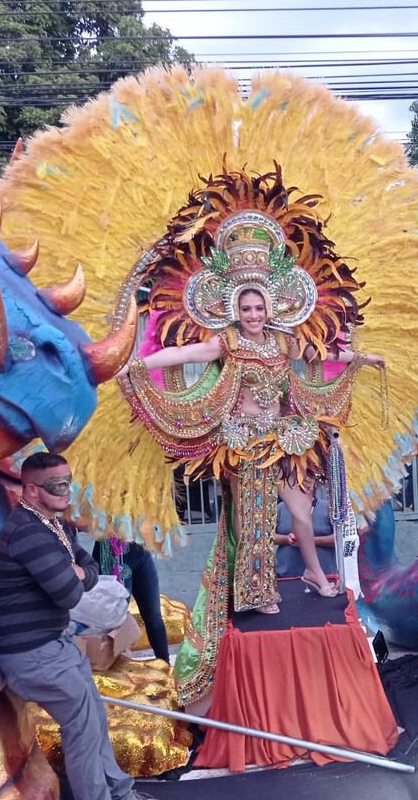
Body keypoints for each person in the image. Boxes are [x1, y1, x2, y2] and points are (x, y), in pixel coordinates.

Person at [127, 208, 384, 704]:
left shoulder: (283, 342)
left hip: (284, 438)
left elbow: (322, 357)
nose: (253, 316)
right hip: (244, 442)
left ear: (270, 310)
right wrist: (138, 361)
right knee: (255, 522)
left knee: (303, 515)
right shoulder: (224, 343)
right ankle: (254, 594)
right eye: (246, 310)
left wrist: (363, 359)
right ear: (235, 312)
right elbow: (182, 356)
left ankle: (312, 570)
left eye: (259, 309)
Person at [0, 452, 165, 800]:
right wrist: (78, 575)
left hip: (54, 645)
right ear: (32, 490)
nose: (67, 491)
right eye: (57, 486)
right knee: (82, 730)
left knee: (94, 718)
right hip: (32, 653)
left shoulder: (52, 525)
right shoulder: (29, 533)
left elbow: (87, 566)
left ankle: (118, 797)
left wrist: (78, 572)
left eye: (69, 482)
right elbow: (69, 591)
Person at [93, 536, 170, 662]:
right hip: (112, 551)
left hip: (140, 549)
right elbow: (94, 523)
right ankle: (103, 667)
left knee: (154, 615)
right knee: (112, 617)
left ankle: (165, 664)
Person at [274, 480, 337, 579]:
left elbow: (339, 538)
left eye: (308, 480)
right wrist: (287, 539)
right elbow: (267, 537)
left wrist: (309, 541)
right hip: (286, 576)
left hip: (325, 576)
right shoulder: (280, 508)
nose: (304, 484)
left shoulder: (328, 508)